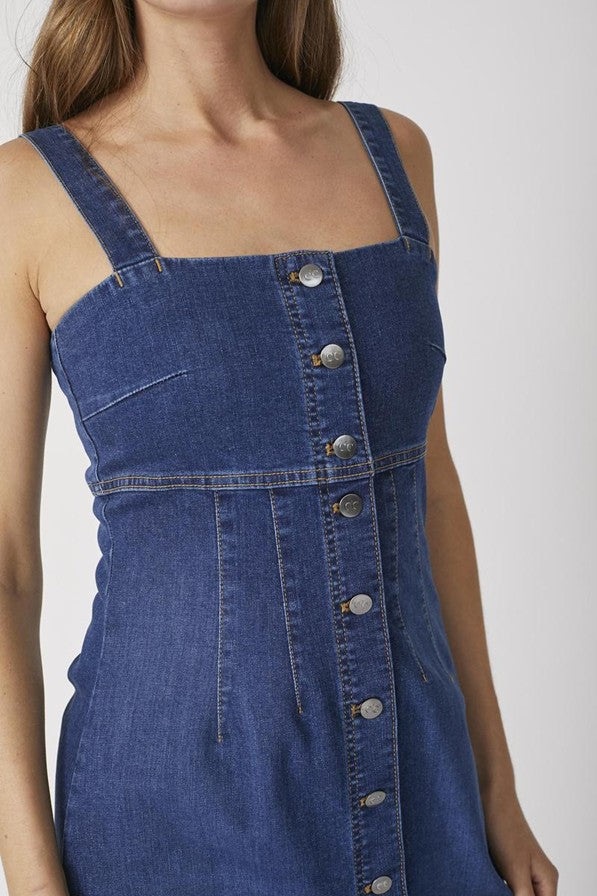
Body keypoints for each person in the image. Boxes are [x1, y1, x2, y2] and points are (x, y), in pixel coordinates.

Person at [0, 2, 559, 895]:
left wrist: (497, 792)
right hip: (168, 809)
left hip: (423, 786)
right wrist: (32, 877)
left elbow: (430, 490)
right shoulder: (24, 192)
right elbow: (6, 560)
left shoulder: (395, 154)